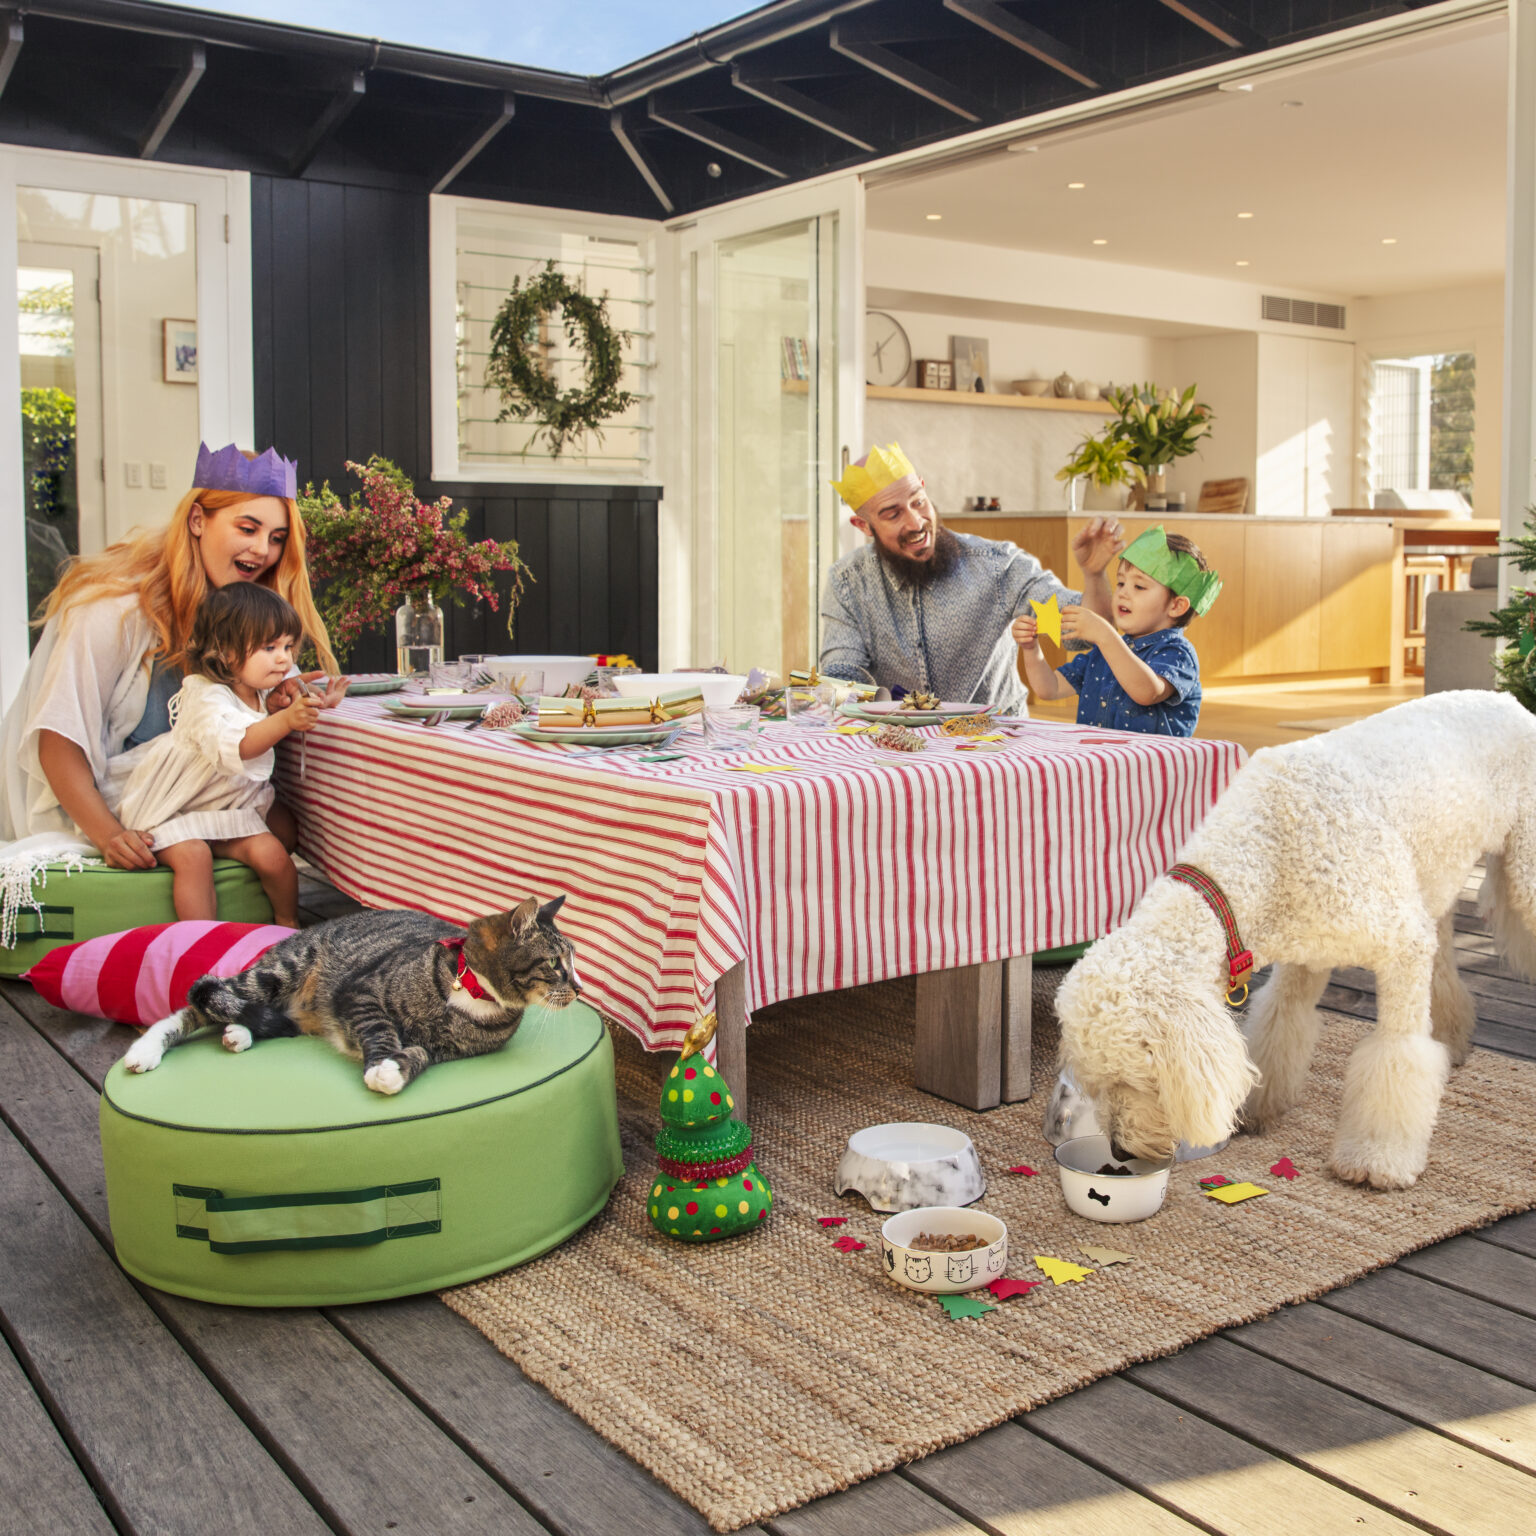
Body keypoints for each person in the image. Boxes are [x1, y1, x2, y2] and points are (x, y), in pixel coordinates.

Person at [0, 443, 346, 869]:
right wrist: (111, 837)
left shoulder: (247, 611)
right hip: (127, 804)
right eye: (247, 528)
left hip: (198, 796)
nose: (262, 551)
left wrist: (280, 695)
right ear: (198, 520)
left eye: (276, 539)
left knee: (284, 831)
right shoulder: (113, 611)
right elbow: (57, 742)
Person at [817, 443, 1123, 714]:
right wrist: (877, 704)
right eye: (892, 514)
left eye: (918, 501)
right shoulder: (847, 583)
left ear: (924, 488)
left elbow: (1081, 633)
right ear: (863, 525)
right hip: (898, 746)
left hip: (995, 746)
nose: (916, 522)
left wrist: (1094, 575)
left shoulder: (996, 565)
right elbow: (841, 675)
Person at [114, 585, 322, 927]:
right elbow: (240, 745)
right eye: (269, 647)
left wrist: (311, 699)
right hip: (175, 805)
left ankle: (289, 926)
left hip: (225, 805)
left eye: (287, 646)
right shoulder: (204, 696)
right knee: (193, 856)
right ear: (225, 653)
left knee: (273, 856)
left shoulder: (260, 686)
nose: (284, 658)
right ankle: (203, 939)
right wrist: (284, 719)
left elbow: (286, 699)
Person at [1011, 526, 1221, 737]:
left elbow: (1147, 692)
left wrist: (1105, 635)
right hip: (1102, 763)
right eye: (1120, 583)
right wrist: (1031, 649)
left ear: (1176, 606)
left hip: (1152, 767)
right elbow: (1050, 688)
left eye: (1139, 587)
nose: (1123, 593)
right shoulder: (1104, 652)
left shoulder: (1178, 653)